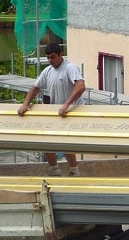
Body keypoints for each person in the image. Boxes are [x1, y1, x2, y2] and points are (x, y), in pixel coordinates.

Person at [16, 42, 85, 176]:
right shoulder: (47, 71)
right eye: (48, 58)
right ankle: (54, 170)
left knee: (65, 143)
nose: (50, 61)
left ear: (60, 55)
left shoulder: (70, 68)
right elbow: (35, 87)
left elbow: (81, 86)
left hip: (71, 113)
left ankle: (74, 171)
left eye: (53, 57)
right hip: (56, 113)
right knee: (45, 141)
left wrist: (67, 104)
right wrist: (26, 104)